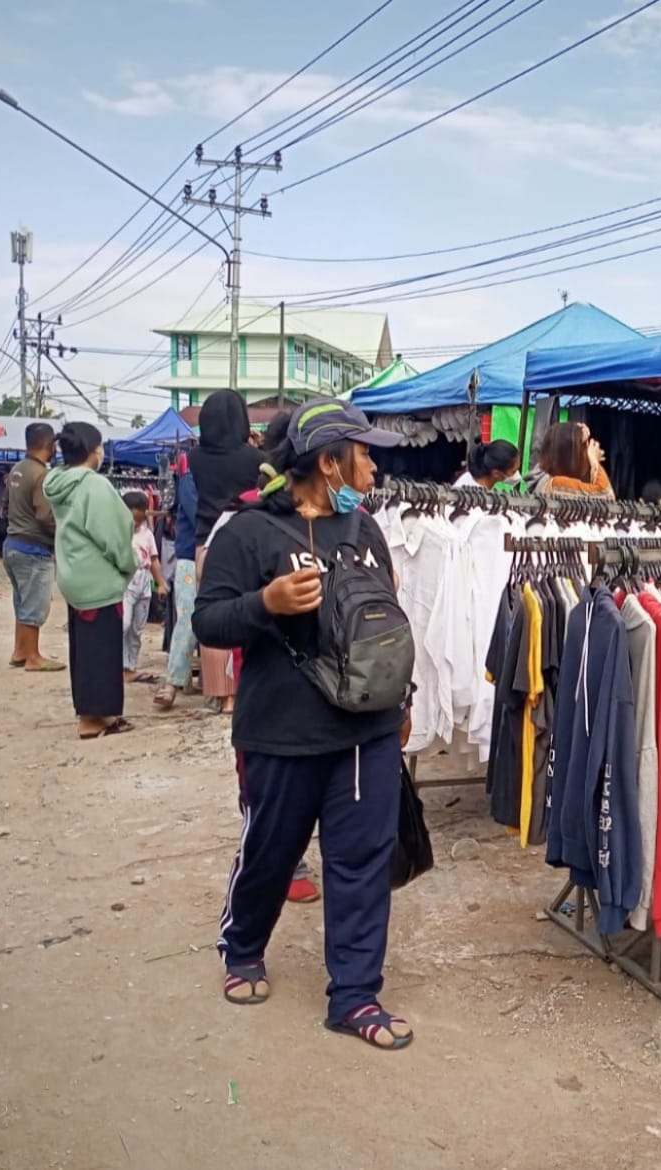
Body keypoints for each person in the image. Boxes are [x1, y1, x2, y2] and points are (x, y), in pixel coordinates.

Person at [195, 398, 414, 1049]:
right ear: (328, 461)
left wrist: (404, 703)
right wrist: (266, 602)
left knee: (361, 863)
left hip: (365, 734)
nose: (373, 465)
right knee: (272, 853)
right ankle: (243, 946)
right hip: (282, 732)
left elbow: (388, 624)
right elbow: (207, 621)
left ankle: (354, 995)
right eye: (364, 452)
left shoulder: (366, 531)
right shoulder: (248, 533)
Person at [44, 422, 138, 740]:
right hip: (98, 580)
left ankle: (91, 713)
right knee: (102, 651)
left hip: (73, 575)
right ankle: (96, 718)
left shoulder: (58, 482)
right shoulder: (93, 486)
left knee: (84, 651)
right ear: (94, 450)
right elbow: (113, 535)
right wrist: (127, 566)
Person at [189, 391, 265, 715]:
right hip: (244, 537)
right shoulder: (254, 459)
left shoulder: (194, 458)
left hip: (205, 541)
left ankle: (222, 694)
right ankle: (243, 686)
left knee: (216, 613)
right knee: (246, 612)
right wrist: (257, 446)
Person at [3, 423, 64, 672]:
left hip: (13, 544)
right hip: (33, 548)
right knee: (34, 605)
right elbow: (44, 514)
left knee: (21, 602)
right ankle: (33, 657)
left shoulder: (17, 469)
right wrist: (61, 533)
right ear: (49, 445)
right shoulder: (42, 474)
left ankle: (20, 651)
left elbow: (5, 504)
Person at [154, 468, 200, 710]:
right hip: (192, 555)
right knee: (187, 618)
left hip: (212, 552)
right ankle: (173, 682)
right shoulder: (190, 478)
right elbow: (197, 514)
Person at [121, 491, 167, 685]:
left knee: (137, 629)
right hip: (127, 581)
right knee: (123, 624)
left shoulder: (147, 534)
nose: (136, 522)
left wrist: (159, 584)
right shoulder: (119, 532)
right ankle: (116, 665)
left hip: (144, 580)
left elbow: (154, 561)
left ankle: (130, 667)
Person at [534, 421, 613, 497]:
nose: (587, 454)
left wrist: (576, 431)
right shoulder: (556, 484)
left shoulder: (544, 477)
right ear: (569, 457)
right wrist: (594, 461)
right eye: (585, 449)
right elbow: (606, 495)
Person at [453, 439, 521, 489]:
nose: (517, 475)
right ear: (496, 473)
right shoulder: (481, 502)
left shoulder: (467, 476)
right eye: (513, 471)